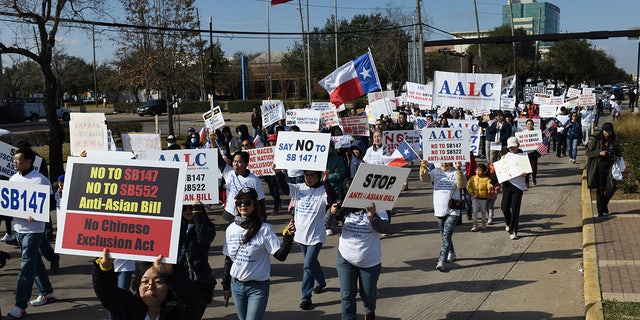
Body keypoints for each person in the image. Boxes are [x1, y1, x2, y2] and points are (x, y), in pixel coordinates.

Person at [221, 187, 296, 320]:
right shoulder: (230, 229)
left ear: (255, 205)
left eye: (247, 202)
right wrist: (226, 285)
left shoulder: (264, 229)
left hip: (257, 288)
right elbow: (228, 259)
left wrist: (288, 237)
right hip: (236, 286)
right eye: (239, 202)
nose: (243, 205)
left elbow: (280, 255)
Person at [275, 169, 337, 310]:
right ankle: (321, 282)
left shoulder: (322, 189)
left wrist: (326, 181)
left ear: (318, 176)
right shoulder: (299, 188)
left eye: (312, 175)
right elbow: (285, 189)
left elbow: (332, 198)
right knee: (312, 262)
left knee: (308, 266)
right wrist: (278, 174)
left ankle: (306, 298)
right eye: (306, 175)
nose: (308, 178)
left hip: (316, 236)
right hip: (300, 235)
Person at [7, 147, 56, 318]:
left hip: (34, 230)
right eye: (14, 159)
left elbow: (49, 205)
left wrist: (36, 215)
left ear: (29, 162)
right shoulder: (12, 179)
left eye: (18, 159)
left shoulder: (40, 180)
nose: (15, 162)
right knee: (34, 261)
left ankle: (20, 305)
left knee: (26, 266)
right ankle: (47, 292)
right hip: (18, 229)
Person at [93, 249, 206, 320]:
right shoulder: (129, 309)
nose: (150, 287)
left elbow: (192, 302)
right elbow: (106, 291)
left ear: (169, 286)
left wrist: (171, 274)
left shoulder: (178, 313)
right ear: (138, 285)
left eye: (158, 282)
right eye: (145, 282)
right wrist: (104, 269)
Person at [330, 202, 389, 320]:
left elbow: (385, 229)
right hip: (345, 259)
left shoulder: (379, 207)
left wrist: (373, 215)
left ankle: (369, 310)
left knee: (368, 295)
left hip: (369, 261)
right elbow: (329, 226)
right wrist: (331, 213)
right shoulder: (344, 207)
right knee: (347, 296)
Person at [419, 160, 466, 271]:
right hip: (439, 208)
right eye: (442, 162)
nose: (444, 164)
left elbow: (462, 184)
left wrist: (459, 169)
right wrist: (423, 168)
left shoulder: (457, 171)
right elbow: (425, 179)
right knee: (444, 235)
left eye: (447, 162)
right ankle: (451, 252)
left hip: (453, 209)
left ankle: (441, 260)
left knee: (446, 235)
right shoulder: (435, 171)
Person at [177, 202, 216, 304]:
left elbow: (203, 238)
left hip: (198, 272)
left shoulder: (208, 226)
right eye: (184, 208)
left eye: (192, 208)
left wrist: (197, 214)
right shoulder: (176, 226)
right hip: (178, 273)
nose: (188, 211)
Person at [218, 151, 266, 223]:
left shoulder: (254, 180)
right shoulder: (228, 172)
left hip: (246, 215)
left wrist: (262, 221)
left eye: (239, 162)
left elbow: (260, 202)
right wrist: (212, 141)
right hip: (230, 213)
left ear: (246, 164)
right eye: (234, 161)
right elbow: (218, 158)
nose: (235, 164)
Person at [586, 122, 622, 217]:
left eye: (609, 131)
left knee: (612, 188)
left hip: (611, 168)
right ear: (603, 130)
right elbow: (589, 153)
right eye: (606, 131)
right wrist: (599, 153)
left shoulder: (614, 140)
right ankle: (600, 211)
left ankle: (604, 204)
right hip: (599, 168)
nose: (607, 133)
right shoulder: (597, 140)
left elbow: (619, 152)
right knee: (600, 190)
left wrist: (616, 156)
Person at [501, 137, 527, 240]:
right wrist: (492, 183)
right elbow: (500, 171)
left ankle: (513, 231)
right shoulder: (505, 157)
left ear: (517, 146)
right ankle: (508, 222)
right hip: (507, 184)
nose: (512, 148)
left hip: (518, 186)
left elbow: (528, 170)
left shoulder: (523, 156)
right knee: (504, 207)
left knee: (515, 209)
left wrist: (526, 173)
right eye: (510, 147)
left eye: (514, 146)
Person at [466, 164, 492, 232]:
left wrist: (490, 189)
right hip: (475, 197)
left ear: (484, 172)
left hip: (483, 198)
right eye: (477, 170)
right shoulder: (472, 178)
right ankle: (475, 225)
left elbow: (489, 186)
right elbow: (469, 186)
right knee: (474, 211)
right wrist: (471, 193)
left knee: (483, 211)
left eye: (480, 171)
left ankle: (483, 224)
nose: (478, 172)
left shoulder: (487, 179)